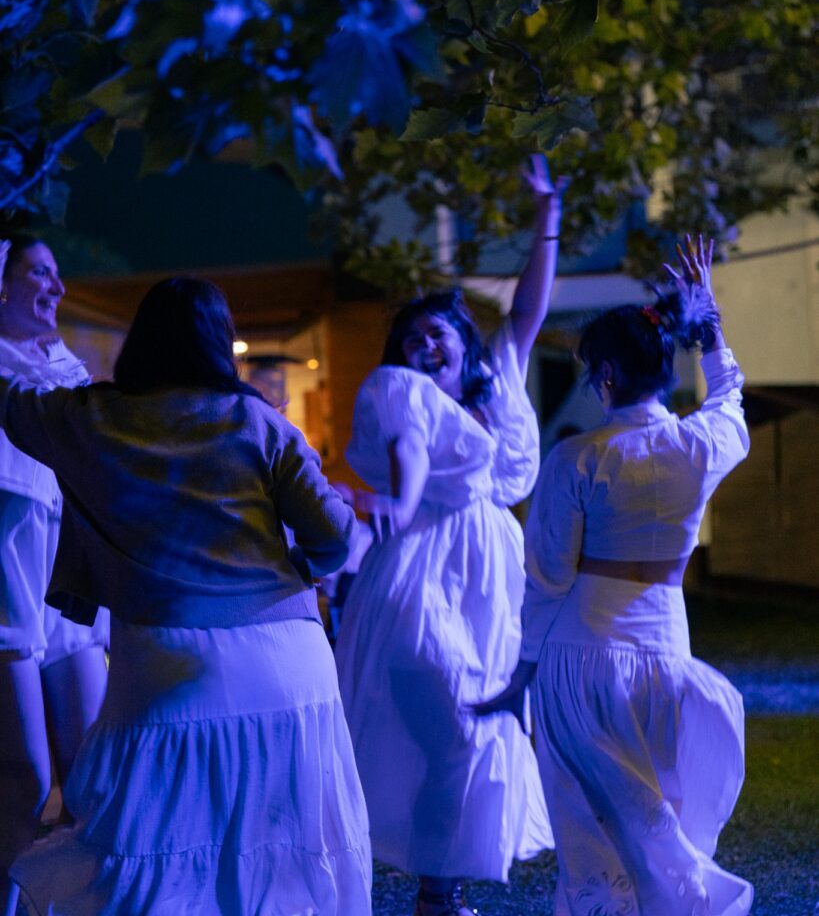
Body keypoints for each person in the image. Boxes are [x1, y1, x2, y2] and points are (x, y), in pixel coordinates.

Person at [2, 276, 371, 916]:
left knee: (154, 850)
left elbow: (12, 399)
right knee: (279, 851)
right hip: (289, 663)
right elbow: (336, 535)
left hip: (166, 660)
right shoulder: (257, 419)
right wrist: (296, 568)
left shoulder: (89, 418)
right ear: (220, 343)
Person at [478, 236, 753, 916]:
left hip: (583, 654)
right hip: (662, 647)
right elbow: (728, 395)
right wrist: (708, 320)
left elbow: (544, 577)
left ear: (604, 376)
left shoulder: (577, 457)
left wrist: (523, 672)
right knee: (654, 801)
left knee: (587, 828)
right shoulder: (701, 444)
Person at [334, 156, 565, 916]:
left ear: (462, 344)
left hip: (492, 578)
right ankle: (419, 885)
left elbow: (528, 307)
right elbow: (406, 457)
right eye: (412, 338)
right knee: (448, 726)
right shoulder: (402, 397)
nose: (424, 346)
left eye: (437, 334)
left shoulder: (498, 376)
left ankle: (439, 892)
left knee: (470, 739)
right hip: (422, 575)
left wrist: (545, 216)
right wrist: (392, 505)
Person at [0, 234, 109, 916]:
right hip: (8, 592)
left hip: (66, 596)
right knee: (28, 779)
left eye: (59, 272)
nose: (57, 287)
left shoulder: (67, 371)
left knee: (97, 774)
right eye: (40, 272)